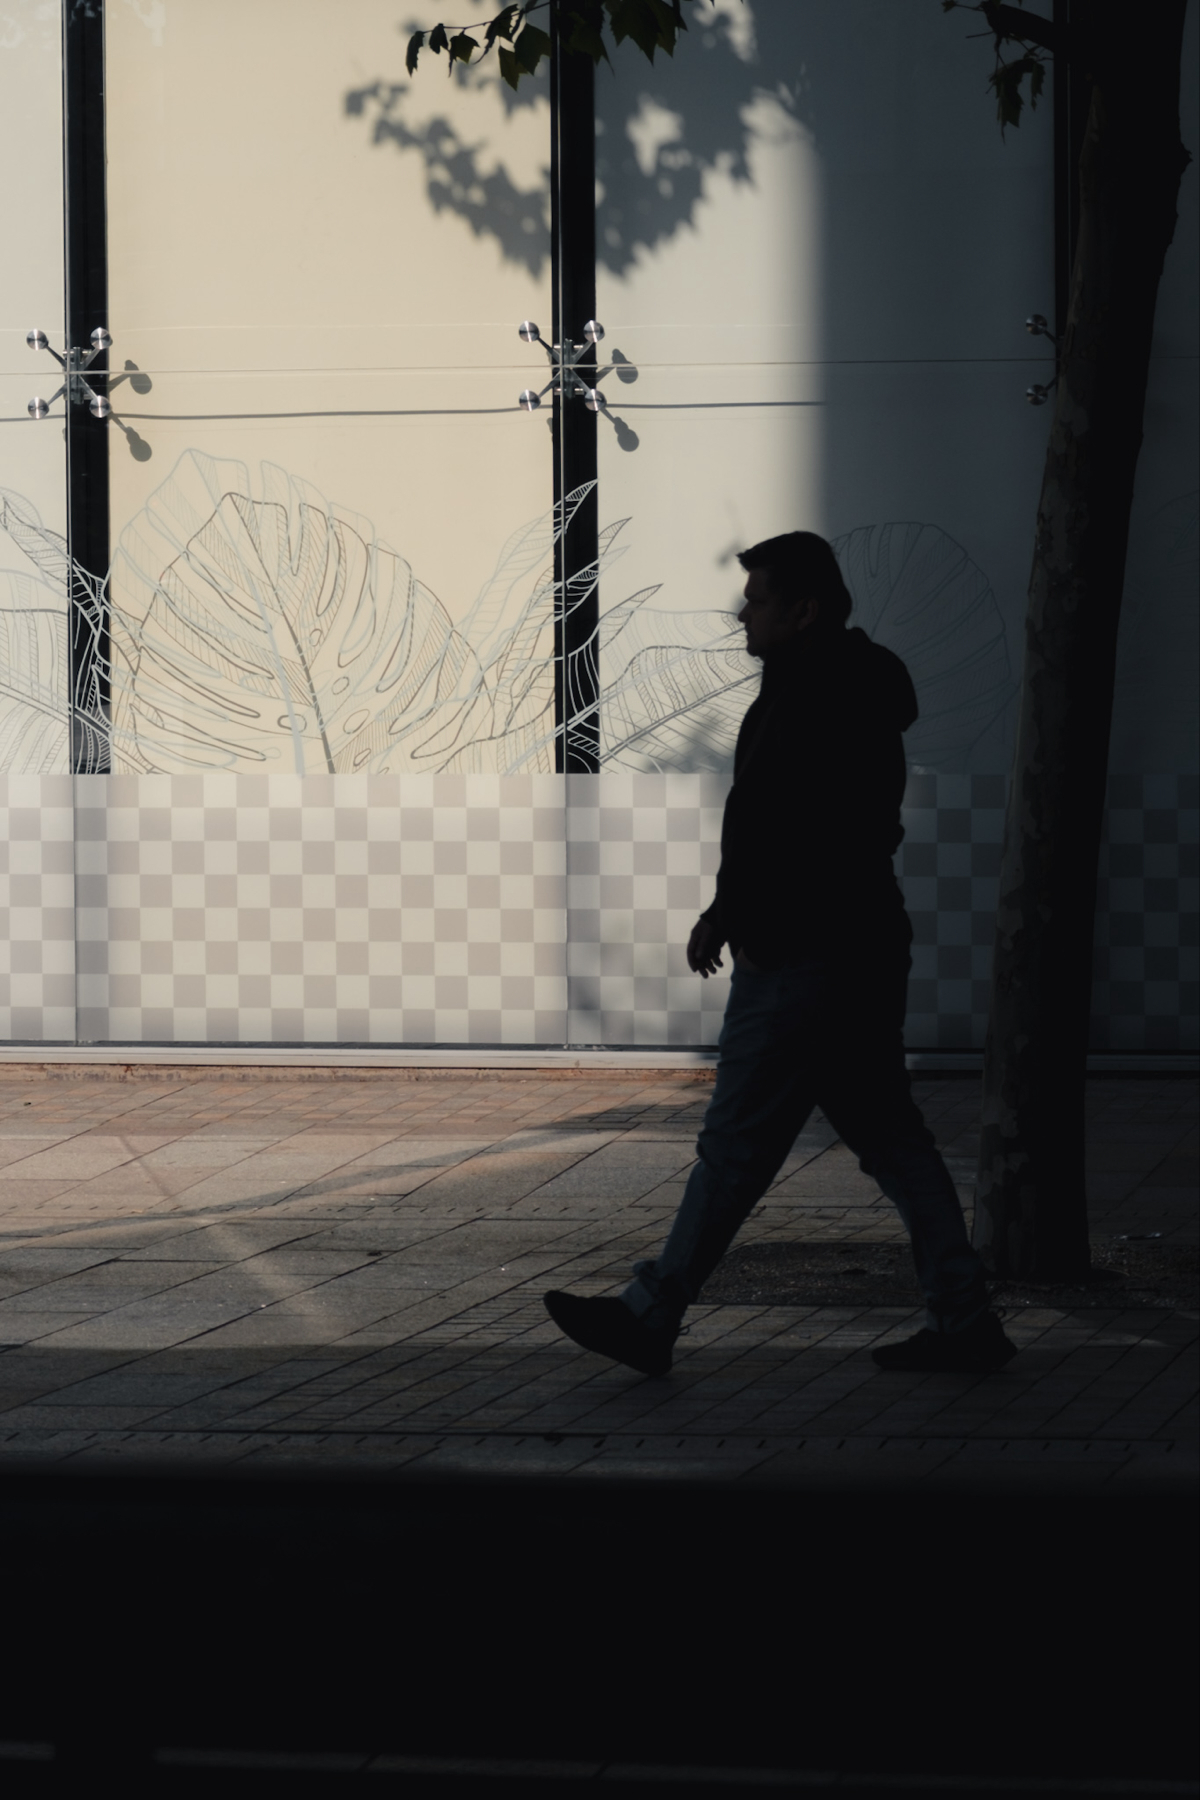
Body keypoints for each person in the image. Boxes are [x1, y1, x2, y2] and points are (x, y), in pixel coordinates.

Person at [544, 530, 1016, 1377]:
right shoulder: (831, 686)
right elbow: (798, 827)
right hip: (855, 946)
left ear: (804, 611)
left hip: (805, 958)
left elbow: (802, 833)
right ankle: (965, 1318)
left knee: (735, 1147)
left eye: (757, 599)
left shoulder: (818, 697)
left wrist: (740, 914)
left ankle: (651, 1313)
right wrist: (729, 909)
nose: (742, 612)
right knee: (892, 1139)